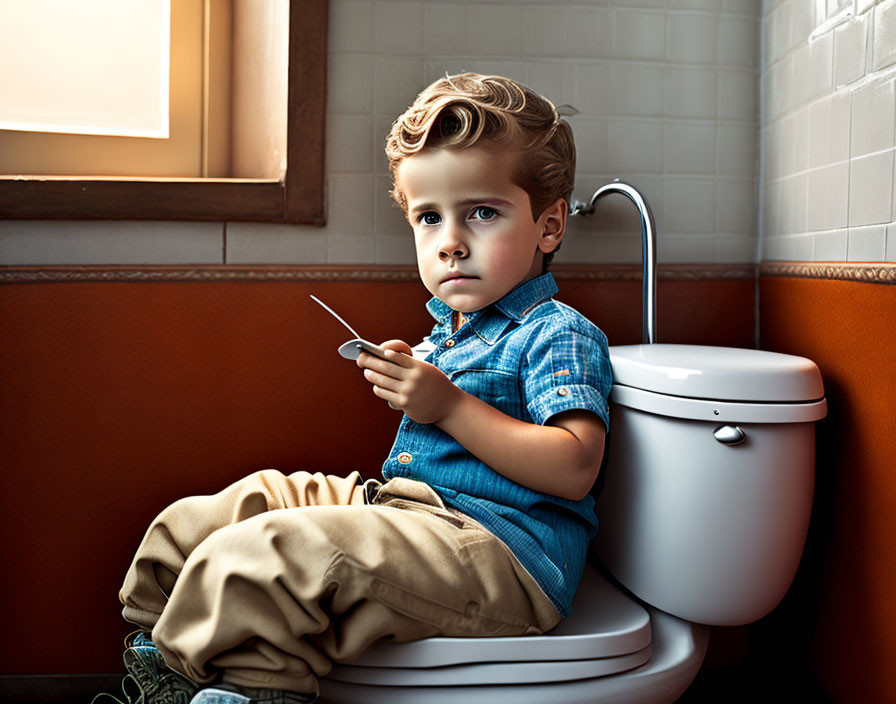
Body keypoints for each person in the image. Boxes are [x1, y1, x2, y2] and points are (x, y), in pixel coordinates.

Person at [100, 72, 612, 704]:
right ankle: (168, 674)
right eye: (429, 218)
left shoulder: (558, 333)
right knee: (210, 520)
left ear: (550, 225)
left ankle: (256, 690)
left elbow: (574, 468)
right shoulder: (455, 330)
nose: (451, 242)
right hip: (415, 509)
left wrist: (446, 405)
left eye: (482, 212)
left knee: (275, 554)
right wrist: (418, 379)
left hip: (505, 555)